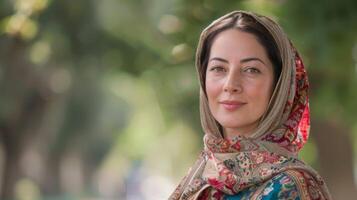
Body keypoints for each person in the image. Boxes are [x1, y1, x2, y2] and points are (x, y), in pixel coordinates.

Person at [169, 10, 332, 200]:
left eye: (251, 70)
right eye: (218, 68)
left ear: (280, 84)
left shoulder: (290, 186)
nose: (230, 85)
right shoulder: (202, 175)